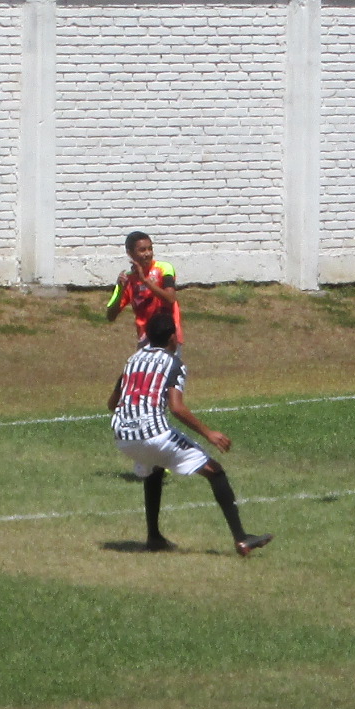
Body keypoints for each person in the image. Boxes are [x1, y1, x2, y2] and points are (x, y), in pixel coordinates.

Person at [108, 313, 271, 556]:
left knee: (153, 467)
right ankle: (242, 538)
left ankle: (154, 537)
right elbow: (177, 407)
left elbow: (112, 404)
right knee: (215, 471)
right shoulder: (174, 363)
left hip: (122, 437)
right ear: (173, 337)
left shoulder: (132, 361)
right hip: (153, 434)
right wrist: (209, 433)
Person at [106, 231, 183, 345]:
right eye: (142, 250)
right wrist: (121, 290)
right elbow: (110, 316)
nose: (148, 253)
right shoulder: (128, 279)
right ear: (130, 253)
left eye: (150, 249)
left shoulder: (164, 268)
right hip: (145, 340)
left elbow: (170, 298)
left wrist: (145, 281)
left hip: (169, 337)